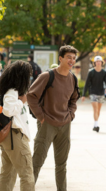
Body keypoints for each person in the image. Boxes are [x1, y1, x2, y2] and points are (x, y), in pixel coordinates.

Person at [27, 45, 80, 190]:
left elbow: (74, 99)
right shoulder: (47, 76)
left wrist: (71, 114)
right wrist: (41, 117)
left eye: (74, 58)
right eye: (69, 57)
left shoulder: (73, 78)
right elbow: (31, 96)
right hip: (47, 124)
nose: (72, 60)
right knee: (36, 162)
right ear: (61, 58)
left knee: (62, 165)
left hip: (65, 125)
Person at [0, 60, 35, 191]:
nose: (29, 78)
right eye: (28, 75)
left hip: (11, 137)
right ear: (21, 76)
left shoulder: (11, 91)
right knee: (27, 175)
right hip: (15, 136)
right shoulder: (12, 92)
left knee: (8, 173)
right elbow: (8, 111)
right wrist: (21, 101)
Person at [82, 56, 106, 132]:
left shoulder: (104, 72)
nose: (98, 63)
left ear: (101, 63)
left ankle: (95, 124)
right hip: (93, 92)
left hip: (101, 93)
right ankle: (96, 125)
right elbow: (87, 84)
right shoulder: (91, 72)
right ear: (94, 63)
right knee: (95, 109)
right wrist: (83, 95)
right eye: (97, 61)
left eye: (99, 61)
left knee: (98, 111)